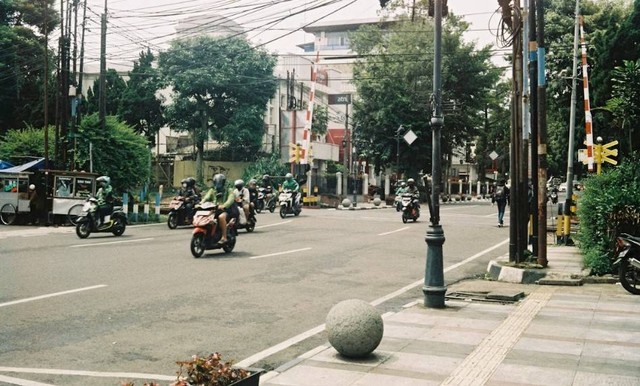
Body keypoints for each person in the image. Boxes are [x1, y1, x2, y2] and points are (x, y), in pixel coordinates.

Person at [201, 173, 237, 244]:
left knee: (221, 217)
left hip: (225, 210)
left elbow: (230, 199)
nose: (218, 184)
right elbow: (206, 198)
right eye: (216, 182)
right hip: (214, 209)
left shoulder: (229, 190)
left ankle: (224, 237)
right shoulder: (212, 190)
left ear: (223, 182)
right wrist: (200, 203)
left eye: (220, 182)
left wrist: (224, 205)